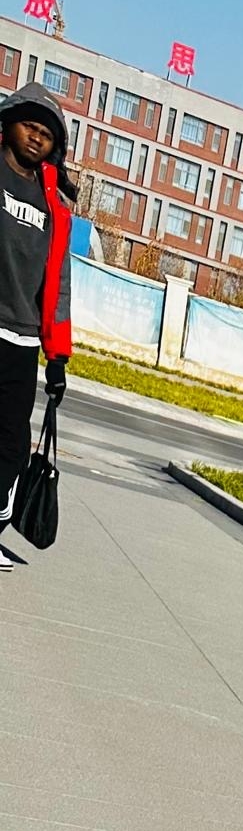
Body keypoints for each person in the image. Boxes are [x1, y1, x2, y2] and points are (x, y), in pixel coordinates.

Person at [0, 87, 74, 572]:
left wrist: (58, 358)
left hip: (22, 342)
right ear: (9, 123)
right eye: (30, 126)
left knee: (10, 450)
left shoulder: (54, 205)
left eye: (46, 135)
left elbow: (58, 284)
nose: (36, 138)